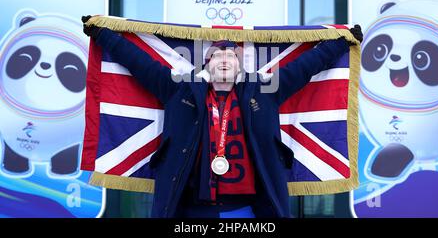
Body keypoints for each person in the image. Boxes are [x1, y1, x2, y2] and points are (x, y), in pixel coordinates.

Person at [82, 16, 363, 218]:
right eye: (217, 56)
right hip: (190, 211)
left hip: (246, 211)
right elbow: (137, 61)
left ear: (240, 65)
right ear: (207, 64)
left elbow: (306, 66)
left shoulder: (266, 91)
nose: (225, 60)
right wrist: (102, 34)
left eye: (231, 56)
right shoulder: (179, 90)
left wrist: (342, 42)